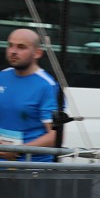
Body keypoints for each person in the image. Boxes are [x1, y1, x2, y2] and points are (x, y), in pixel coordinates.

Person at [0, 28, 59, 162]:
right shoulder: (2, 76)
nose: (13, 51)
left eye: (21, 47)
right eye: (10, 45)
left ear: (37, 53)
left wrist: (17, 151)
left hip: (31, 169)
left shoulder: (48, 86)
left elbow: (55, 135)